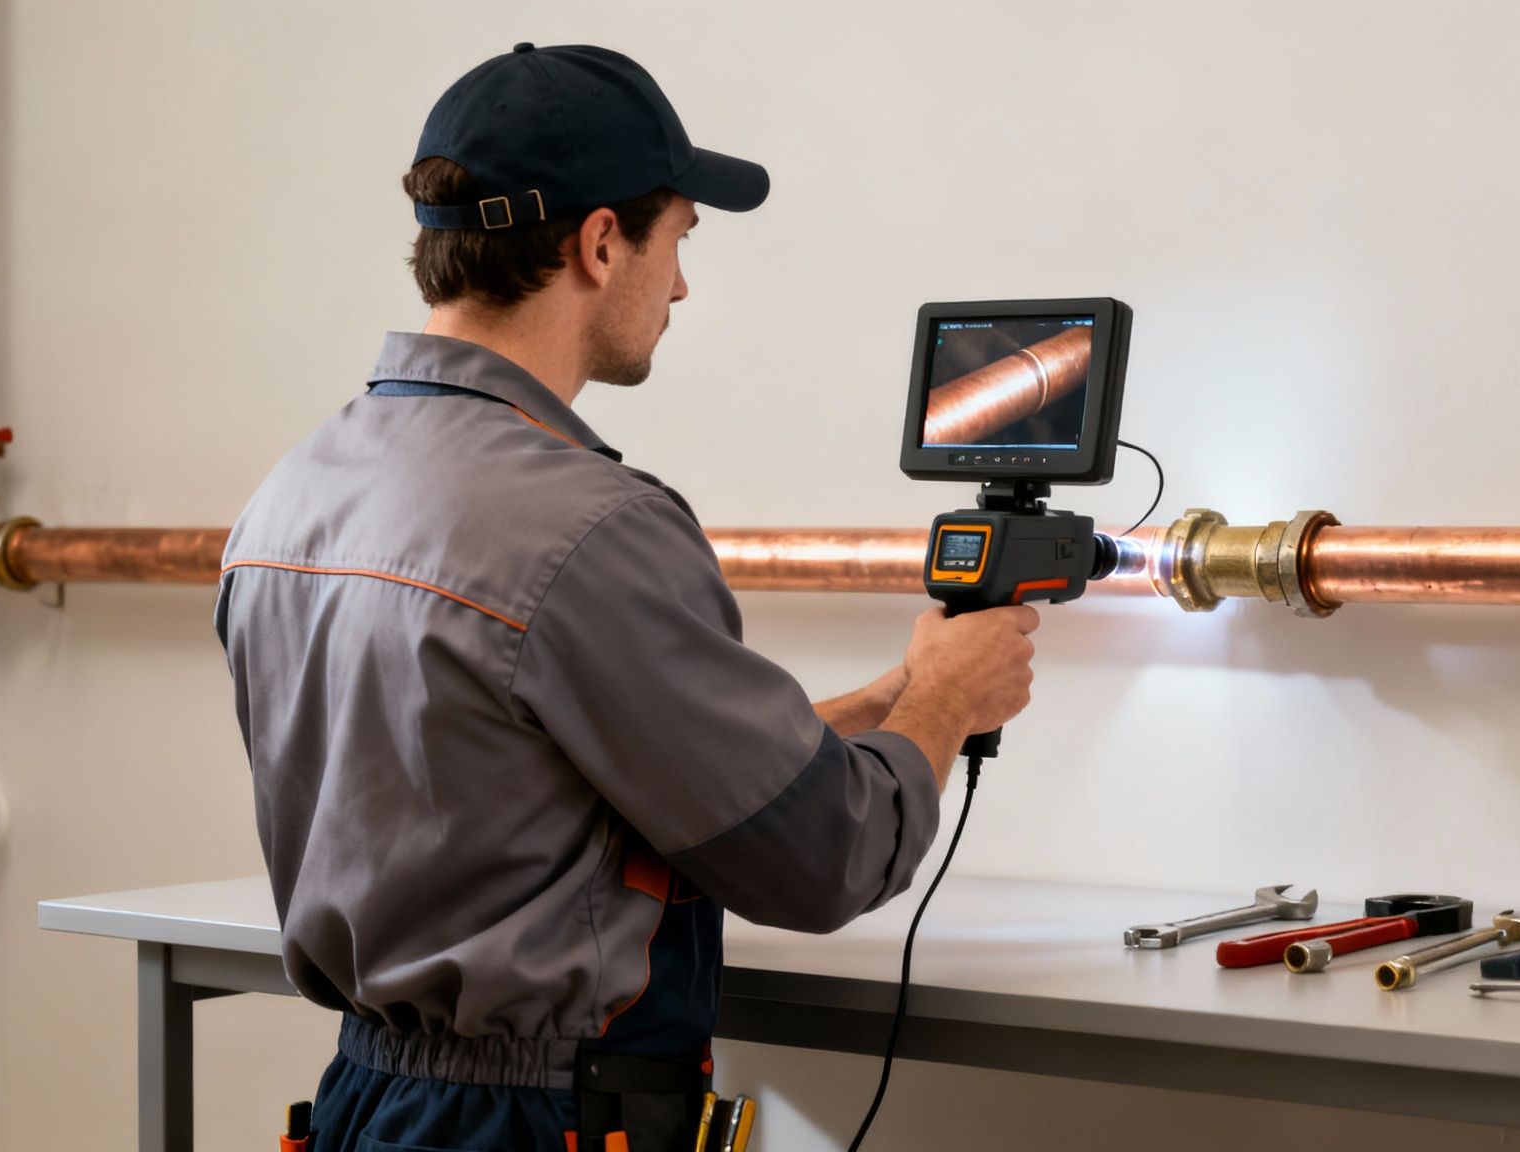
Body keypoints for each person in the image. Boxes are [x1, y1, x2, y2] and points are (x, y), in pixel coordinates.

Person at [216, 42, 1040, 1152]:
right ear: (601, 242)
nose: (684, 284)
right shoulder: (586, 527)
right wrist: (942, 707)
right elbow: (826, 859)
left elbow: (558, 781)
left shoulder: (296, 491)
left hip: (370, 1101)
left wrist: (900, 691)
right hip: (535, 1121)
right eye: (679, 240)